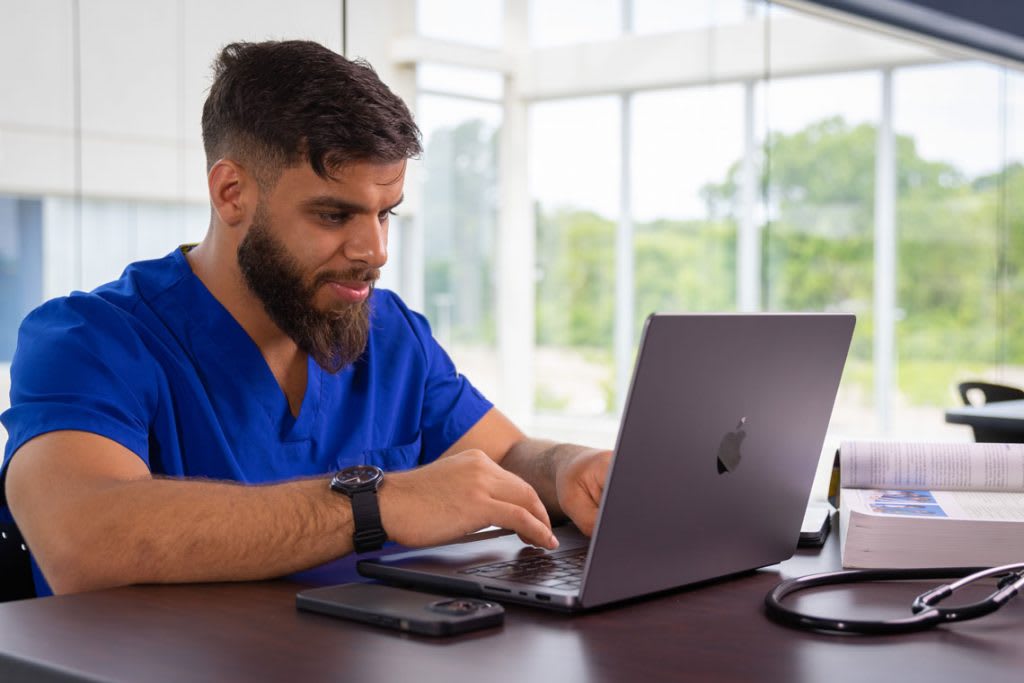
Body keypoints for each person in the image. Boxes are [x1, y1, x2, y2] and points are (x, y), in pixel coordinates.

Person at [0, 40, 611, 597]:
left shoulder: (388, 331)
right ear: (231, 192)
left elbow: (501, 460)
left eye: (385, 214)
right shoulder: (88, 341)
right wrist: (374, 504)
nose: (375, 251)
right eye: (333, 215)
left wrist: (566, 469)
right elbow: (82, 540)